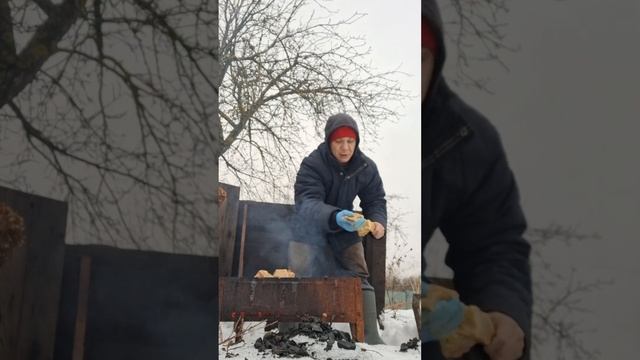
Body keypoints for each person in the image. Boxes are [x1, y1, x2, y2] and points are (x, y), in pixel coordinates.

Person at [421, 1, 533, 359]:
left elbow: (492, 246)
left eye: (418, 59)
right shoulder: (309, 107)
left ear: (435, 64)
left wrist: (503, 311)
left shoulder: (463, 140)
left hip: (405, 321)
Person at [292, 113, 386, 344]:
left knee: (359, 276)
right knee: (299, 276)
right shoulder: (313, 163)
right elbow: (307, 203)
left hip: (345, 230)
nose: (345, 148)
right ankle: (292, 330)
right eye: (338, 142)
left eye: (350, 142)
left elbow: (375, 199)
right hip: (308, 229)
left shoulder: (365, 166)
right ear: (328, 141)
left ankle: (370, 336)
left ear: (357, 142)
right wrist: (334, 215)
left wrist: (378, 221)